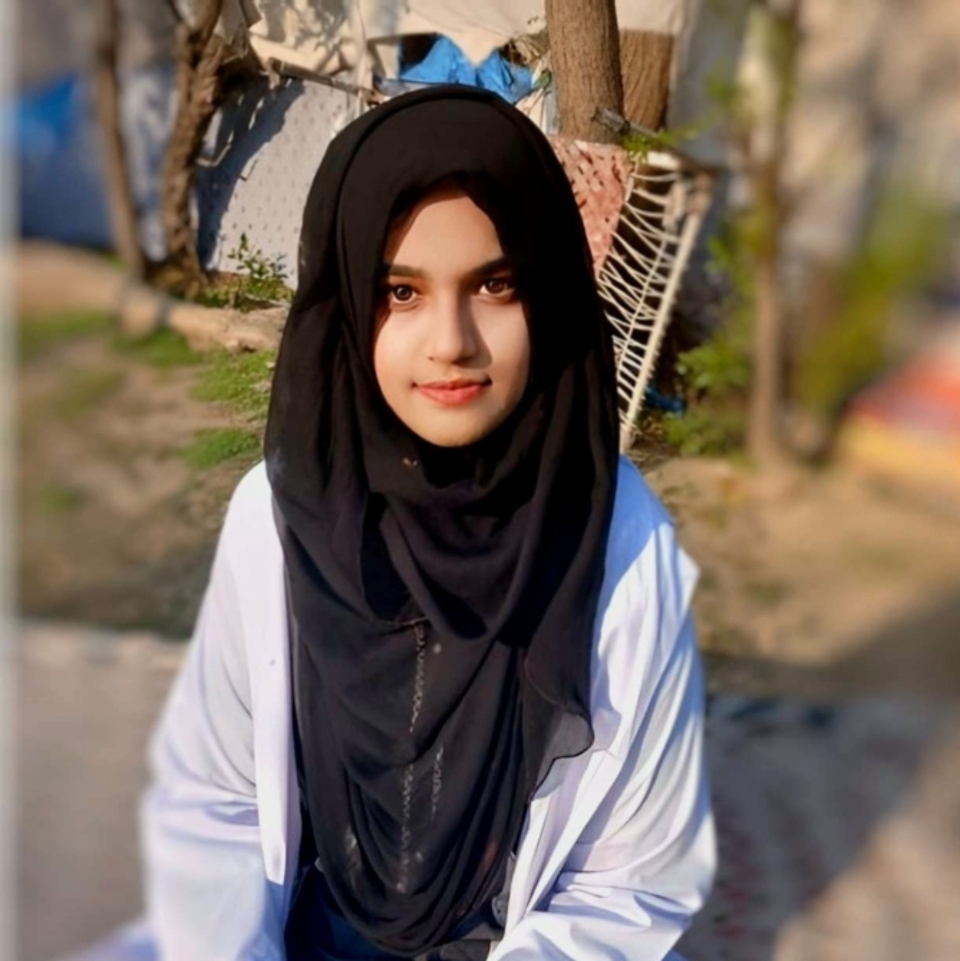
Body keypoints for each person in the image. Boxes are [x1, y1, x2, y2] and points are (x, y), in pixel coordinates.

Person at [140, 86, 715, 961]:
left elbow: (627, 887)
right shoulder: (280, 517)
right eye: (400, 291)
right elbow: (219, 803)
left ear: (550, 292)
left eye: (496, 284)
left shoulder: (622, 550)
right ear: (345, 303)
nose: (451, 340)